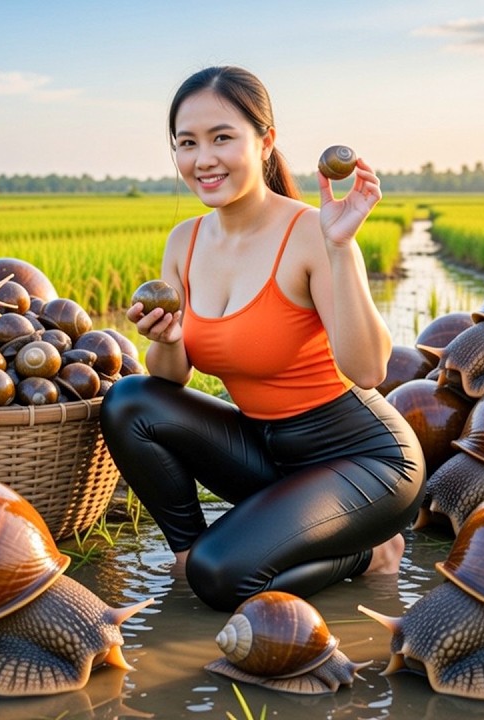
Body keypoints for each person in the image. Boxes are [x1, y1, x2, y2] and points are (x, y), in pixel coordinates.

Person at [100, 65, 425, 613]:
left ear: (266, 141)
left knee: (222, 576)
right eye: (187, 143)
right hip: (268, 452)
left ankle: (369, 554)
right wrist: (169, 337)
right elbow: (170, 378)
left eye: (222, 137)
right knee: (130, 401)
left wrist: (342, 248)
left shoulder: (310, 233)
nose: (203, 158)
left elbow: (368, 370)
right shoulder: (185, 240)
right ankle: (187, 559)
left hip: (365, 462)